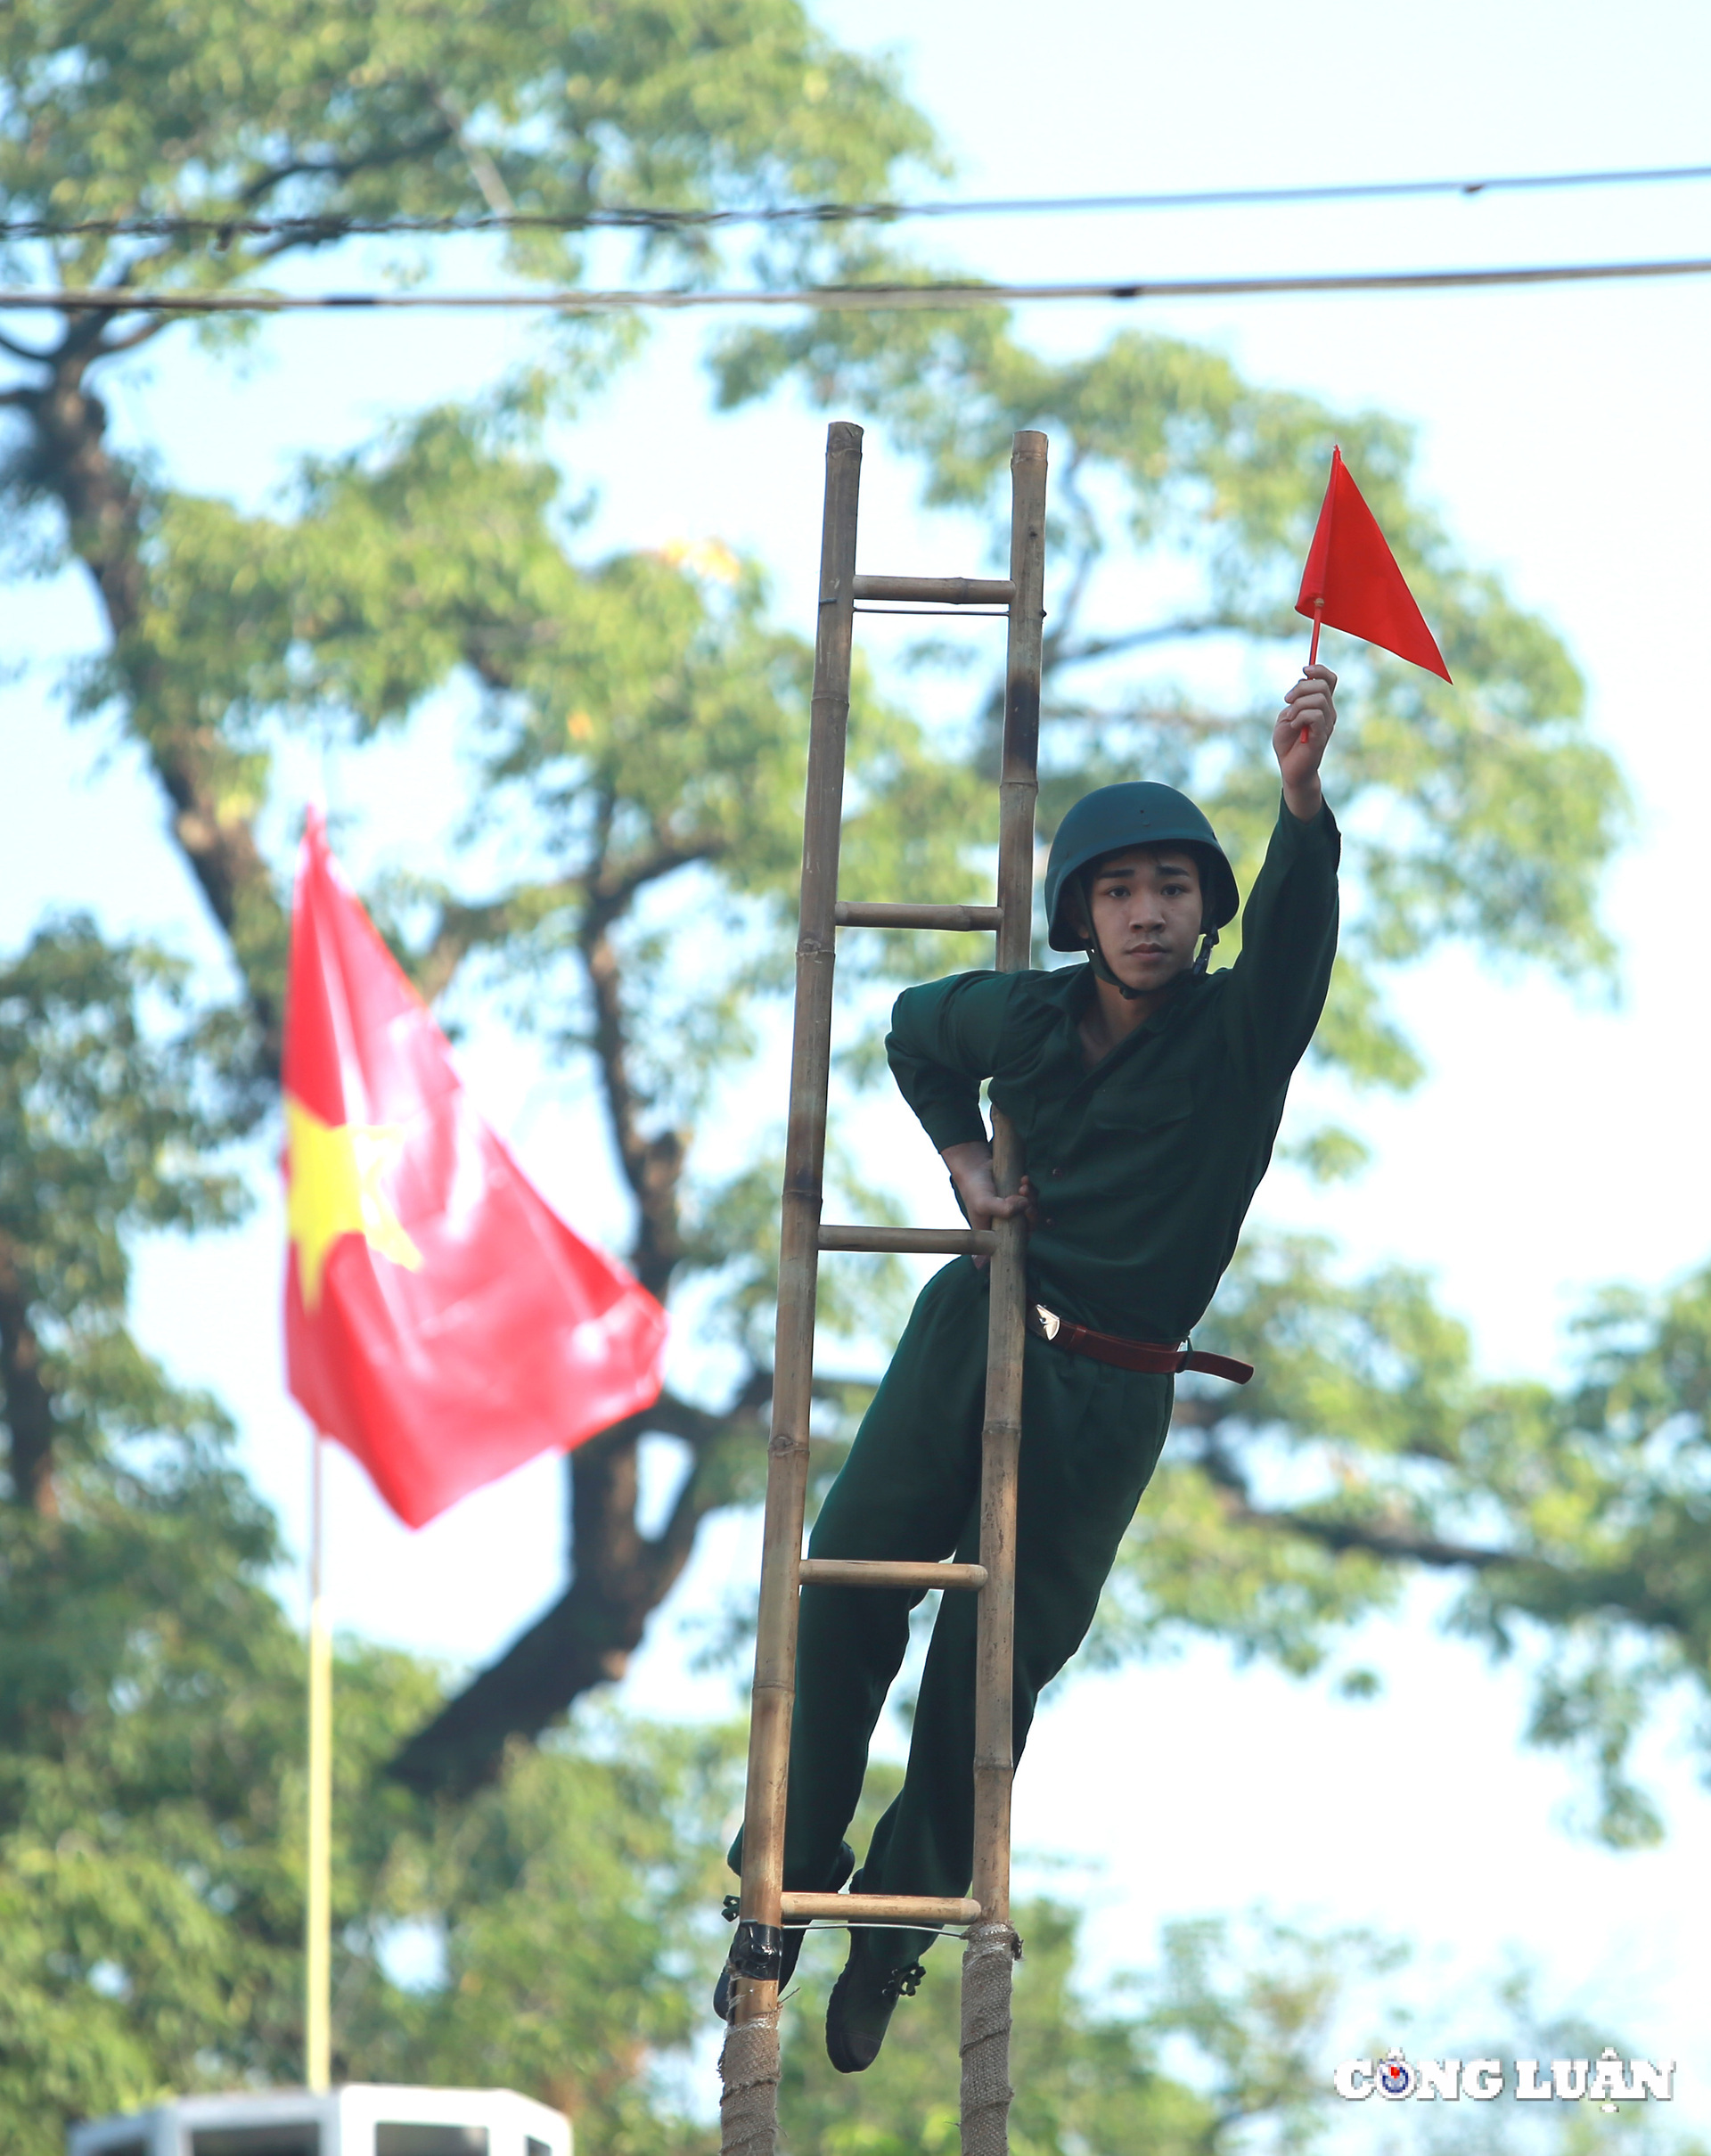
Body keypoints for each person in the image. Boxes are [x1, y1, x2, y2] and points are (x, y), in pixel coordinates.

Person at [717, 663, 1342, 2071]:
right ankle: (776, 1887)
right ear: (1081, 915)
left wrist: (1298, 798)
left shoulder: (1241, 1039)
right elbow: (905, 1030)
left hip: (1112, 1389)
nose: (1148, 913)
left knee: (992, 1681)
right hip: (977, 1325)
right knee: (849, 1590)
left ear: (1205, 911)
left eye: (1176, 889)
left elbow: (1299, 939)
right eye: (1120, 892)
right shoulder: (1029, 1017)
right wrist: (962, 1159)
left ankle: (893, 1938)